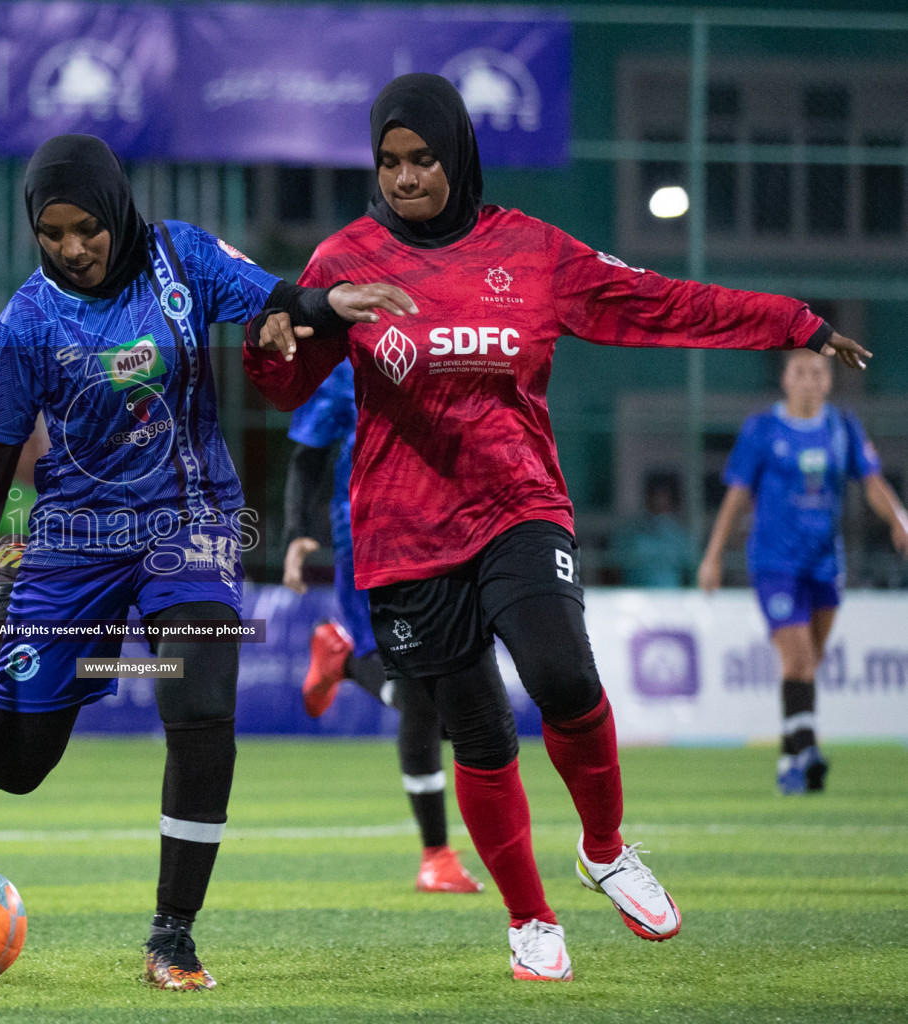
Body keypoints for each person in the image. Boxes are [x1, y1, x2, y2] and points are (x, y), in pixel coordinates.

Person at [243, 73, 872, 982]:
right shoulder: (345, 260)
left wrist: (792, 324)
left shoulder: (530, 252)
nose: (406, 177)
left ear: (458, 156)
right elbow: (291, 385)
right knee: (481, 732)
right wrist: (275, 342)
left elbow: (664, 303)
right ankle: (530, 919)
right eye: (389, 162)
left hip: (518, 505)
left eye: (423, 159)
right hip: (406, 535)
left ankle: (606, 848)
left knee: (563, 673)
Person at [0, 133, 414, 991]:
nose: (74, 248)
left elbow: (278, 298)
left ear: (116, 207)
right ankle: (9, 592)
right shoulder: (25, 322)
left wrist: (328, 303)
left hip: (193, 522)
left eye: (87, 228)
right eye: (53, 233)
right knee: (8, 765)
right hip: (72, 541)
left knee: (201, 702)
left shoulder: (181, 257)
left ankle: (172, 938)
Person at [282, 358, 482, 893]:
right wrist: (298, 532)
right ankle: (437, 856)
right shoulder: (344, 363)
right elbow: (308, 454)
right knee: (421, 701)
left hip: (445, 535)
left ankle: (342, 660)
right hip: (368, 540)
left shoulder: (456, 343)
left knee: (461, 715)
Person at [699, 349, 908, 794]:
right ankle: (808, 748)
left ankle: (791, 760)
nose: (810, 380)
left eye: (818, 372)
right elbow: (736, 497)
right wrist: (713, 555)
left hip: (825, 561)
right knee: (797, 657)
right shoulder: (763, 429)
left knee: (809, 661)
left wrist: (898, 520)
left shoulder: (841, 426)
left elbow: (871, 481)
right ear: (786, 380)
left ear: (828, 382)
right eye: (801, 372)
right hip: (774, 561)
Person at [611, 473, 698, 587]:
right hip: (636, 598)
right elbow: (613, 568)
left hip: (673, 598)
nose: (660, 500)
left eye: (664, 495)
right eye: (656, 495)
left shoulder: (680, 535)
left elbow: (692, 570)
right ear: (648, 497)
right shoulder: (630, 532)